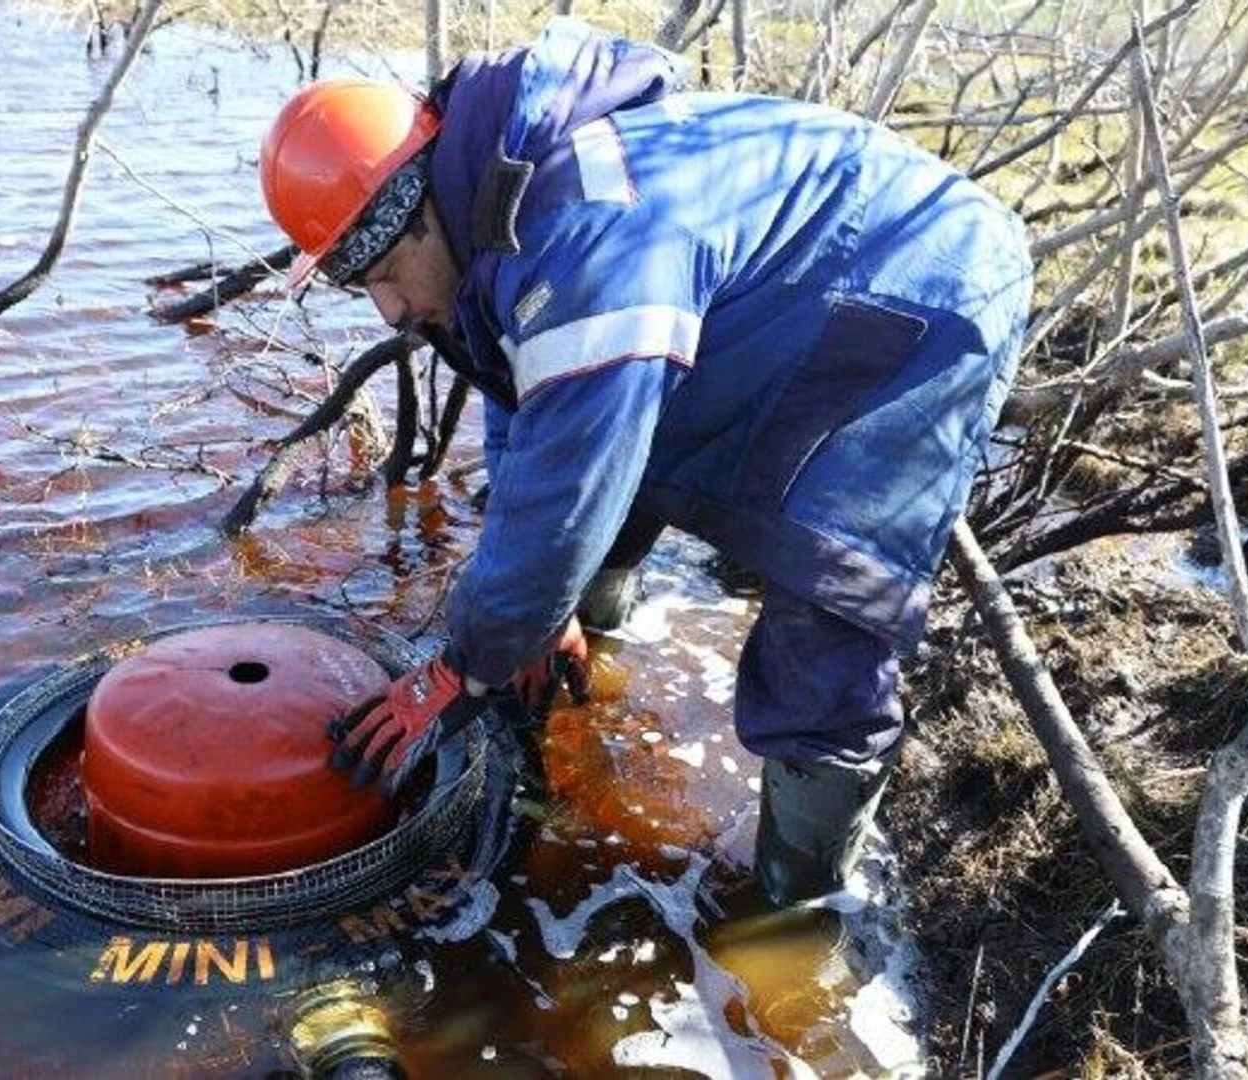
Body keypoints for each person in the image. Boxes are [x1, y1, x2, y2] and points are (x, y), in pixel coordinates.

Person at [258, 18, 1032, 907]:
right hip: (789, 284)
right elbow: (529, 412)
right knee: (589, 498)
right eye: (365, 290)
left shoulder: (582, 235)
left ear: (427, 205)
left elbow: (570, 486)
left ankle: (796, 914)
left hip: (921, 284)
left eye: (390, 271)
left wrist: (461, 666)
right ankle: (584, 666)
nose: (391, 310)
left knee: (826, 595)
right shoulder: (491, 218)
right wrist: (532, 614)